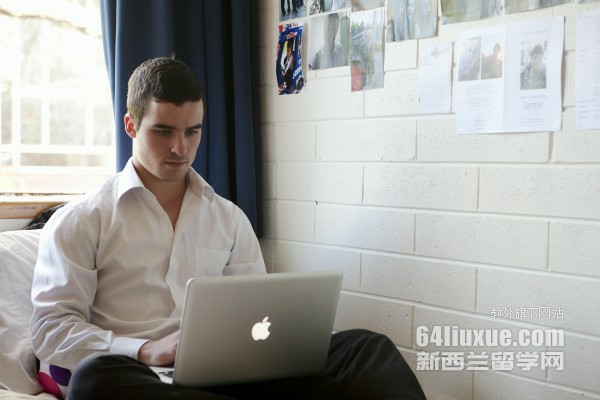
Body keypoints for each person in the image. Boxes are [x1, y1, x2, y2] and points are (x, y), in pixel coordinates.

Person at [30, 56, 427, 400]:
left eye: (192, 132)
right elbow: (51, 331)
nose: (180, 148)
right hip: (139, 373)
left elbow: (259, 318)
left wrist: (274, 347)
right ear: (131, 125)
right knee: (94, 380)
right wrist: (145, 349)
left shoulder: (228, 218)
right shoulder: (83, 220)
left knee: (366, 348)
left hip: (228, 372)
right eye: (163, 131)